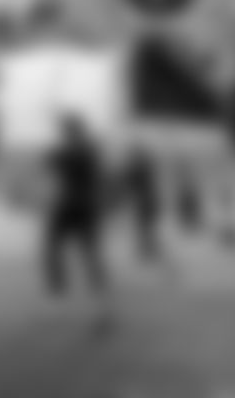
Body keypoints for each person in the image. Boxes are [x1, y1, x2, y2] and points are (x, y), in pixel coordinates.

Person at [42, 115, 115, 327]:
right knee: (86, 256)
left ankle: (62, 294)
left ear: (72, 131)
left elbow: (51, 161)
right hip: (84, 208)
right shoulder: (89, 149)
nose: (64, 135)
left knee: (60, 250)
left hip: (72, 207)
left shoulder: (75, 151)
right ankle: (99, 306)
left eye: (66, 131)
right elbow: (54, 162)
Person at [118, 145, 168, 268]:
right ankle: (149, 247)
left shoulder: (136, 169)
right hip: (148, 199)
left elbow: (128, 183)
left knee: (144, 225)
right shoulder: (144, 168)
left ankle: (147, 248)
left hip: (143, 200)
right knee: (147, 225)